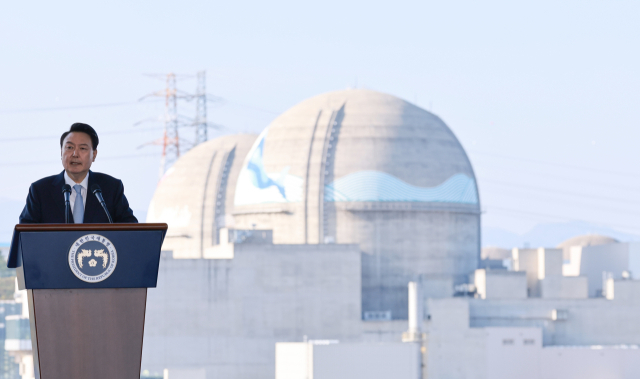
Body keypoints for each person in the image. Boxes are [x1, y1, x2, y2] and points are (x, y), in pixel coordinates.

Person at [19, 123, 138, 224]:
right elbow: (26, 234)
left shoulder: (111, 188)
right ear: (61, 152)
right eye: (69, 147)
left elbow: (130, 229)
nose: (75, 154)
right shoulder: (40, 190)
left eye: (82, 148)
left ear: (94, 155)